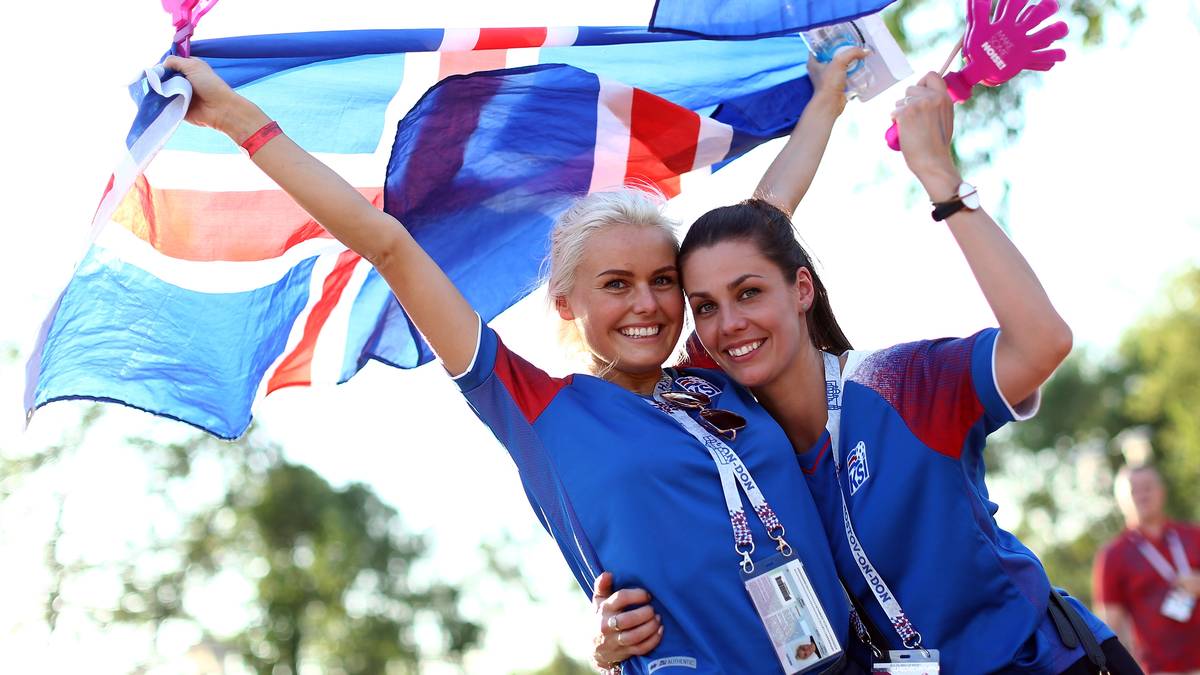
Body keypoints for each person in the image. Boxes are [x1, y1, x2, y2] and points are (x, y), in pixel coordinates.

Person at [164, 48, 874, 675]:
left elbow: (765, 217)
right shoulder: (539, 408)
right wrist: (240, 123)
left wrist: (824, 102)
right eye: (616, 285)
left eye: (662, 279)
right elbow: (389, 245)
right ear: (568, 303)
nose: (648, 304)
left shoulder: (715, 373)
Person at [591, 72, 1142, 674]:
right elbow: (762, 221)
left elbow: (1043, 341)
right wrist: (611, 637)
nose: (728, 324)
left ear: (801, 289)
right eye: (705, 307)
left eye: (750, 293)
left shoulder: (899, 386)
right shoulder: (718, 419)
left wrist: (941, 180)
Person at [1094, 464, 1200, 674]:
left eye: (1148, 487)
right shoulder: (1113, 555)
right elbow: (1109, 628)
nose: (1142, 496)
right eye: (1134, 490)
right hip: (1159, 670)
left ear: (1162, 491)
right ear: (1120, 500)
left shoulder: (1193, 535)